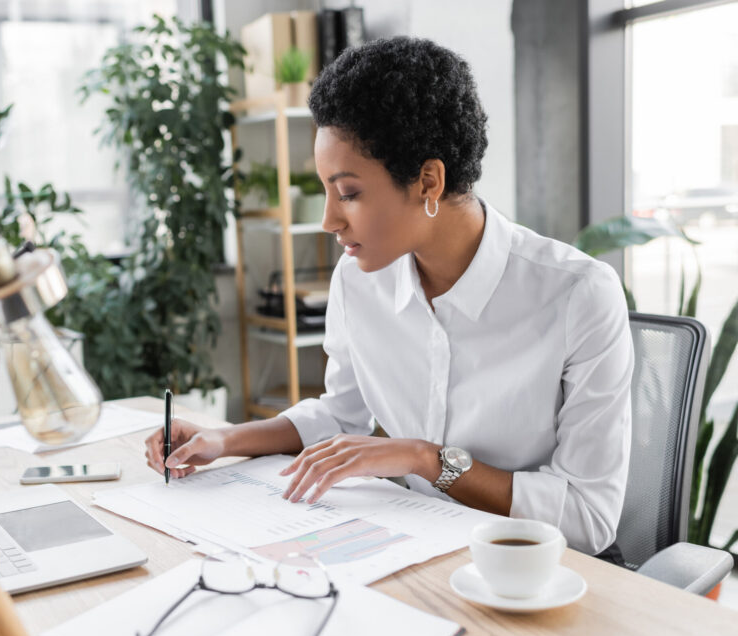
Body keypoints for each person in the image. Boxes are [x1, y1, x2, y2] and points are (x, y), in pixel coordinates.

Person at [143, 36, 633, 556]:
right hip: (424, 550)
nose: (330, 220)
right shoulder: (358, 281)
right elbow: (340, 415)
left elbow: (587, 518)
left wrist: (426, 459)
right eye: (327, 192)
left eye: (349, 193)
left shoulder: (578, 294)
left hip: (538, 572)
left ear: (428, 181)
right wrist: (223, 442)